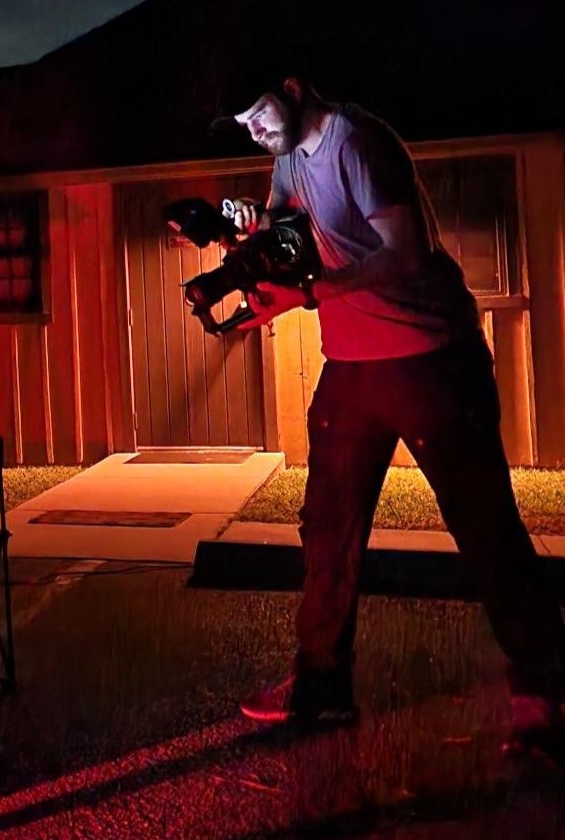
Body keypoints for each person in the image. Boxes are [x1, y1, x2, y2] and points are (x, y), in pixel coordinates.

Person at [214, 72, 565, 757]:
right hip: (354, 365)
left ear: (291, 87)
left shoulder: (360, 145)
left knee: (485, 525)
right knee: (328, 529)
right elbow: (287, 234)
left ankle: (546, 687)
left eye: (256, 115)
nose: (254, 132)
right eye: (243, 125)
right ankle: (322, 689)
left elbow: (405, 253)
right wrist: (229, 233)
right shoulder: (286, 156)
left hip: (431, 357)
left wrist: (311, 294)